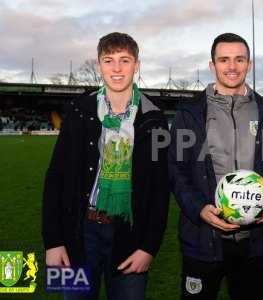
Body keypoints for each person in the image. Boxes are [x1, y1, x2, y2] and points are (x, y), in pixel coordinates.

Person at [42, 32, 170, 300]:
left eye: (125, 60)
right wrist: (53, 241)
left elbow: (160, 188)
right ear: (99, 65)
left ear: (137, 65)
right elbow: (56, 177)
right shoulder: (79, 110)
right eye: (108, 60)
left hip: (129, 236)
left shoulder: (154, 117)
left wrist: (149, 248)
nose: (117, 68)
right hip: (79, 233)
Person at [168, 32, 263, 300]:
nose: (232, 67)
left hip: (255, 241)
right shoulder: (189, 114)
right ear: (212, 66)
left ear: (249, 64)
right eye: (224, 59)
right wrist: (199, 209)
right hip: (203, 238)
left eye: (239, 59)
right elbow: (176, 169)